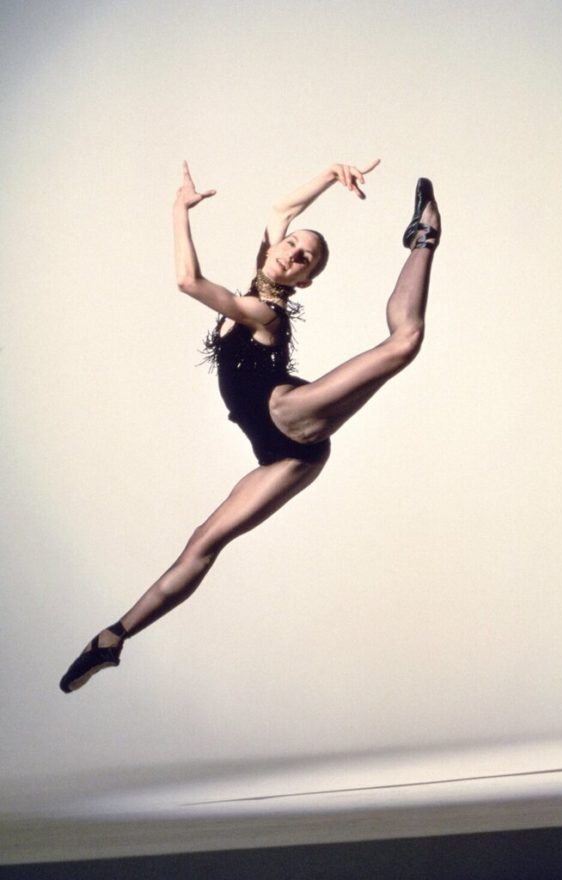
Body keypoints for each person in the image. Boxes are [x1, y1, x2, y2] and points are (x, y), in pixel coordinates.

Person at [59, 159, 440, 693]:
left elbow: (187, 280)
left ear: (304, 279)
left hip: (289, 413)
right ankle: (114, 637)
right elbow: (282, 209)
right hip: (284, 456)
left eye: (305, 257)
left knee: (402, 343)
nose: (293, 251)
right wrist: (332, 174)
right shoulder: (261, 274)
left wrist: (178, 210)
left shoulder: (263, 311)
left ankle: (423, 238)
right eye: (291, 244)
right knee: (202, 544)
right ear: (273, 250)